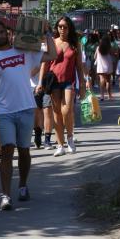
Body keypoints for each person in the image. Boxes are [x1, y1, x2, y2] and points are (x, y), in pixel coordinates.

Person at [0, 20, 57, 210]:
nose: (0, 35)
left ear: (9, 33)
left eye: (2, 32)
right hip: (5, 112)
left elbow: (52, 54)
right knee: (6, 152)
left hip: (26, 108)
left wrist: (48, 33)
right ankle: (6, 196)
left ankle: (23, 185)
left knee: (24, 151)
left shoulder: (24, 51)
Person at [39, 16, 86, 157]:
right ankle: (60, 144)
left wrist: (83, 83)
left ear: (69, 28)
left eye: (65, 27)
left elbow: (79, 66)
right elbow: (45, 64)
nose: (62, 29)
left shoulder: (74, 43)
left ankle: (70, 138)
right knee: (57, 113)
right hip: (53, 81)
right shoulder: (52, 42)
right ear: (57, 27)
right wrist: (41, 82)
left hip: (68, 81)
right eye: (60, 26)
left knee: (67, 111)